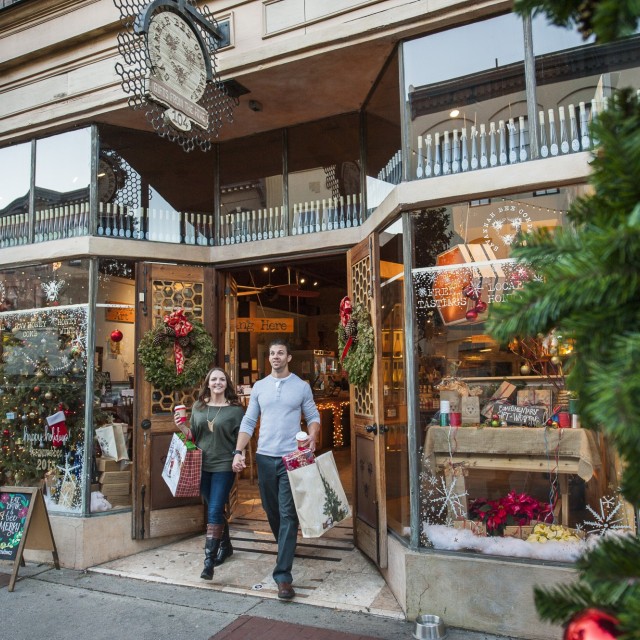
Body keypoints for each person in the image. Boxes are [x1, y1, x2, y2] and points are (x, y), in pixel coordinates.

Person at [232, 338, 320, 600]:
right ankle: (286, 545)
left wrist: (313, 436)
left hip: (290, 458)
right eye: (272, 353)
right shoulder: (260, 387)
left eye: (280, 353)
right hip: (264, 457)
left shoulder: (301, 387)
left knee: (288, 513)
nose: (276, 357)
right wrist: (238, 451)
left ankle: (283, 576)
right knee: (271, 511)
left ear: (289, 357)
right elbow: (249, 420)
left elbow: (313, 416)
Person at [174, 366, 244, 580]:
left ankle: (208, 562)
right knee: (214, 508)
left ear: (227, 383)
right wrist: (181, 427)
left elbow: (243, 437)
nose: (217, 383)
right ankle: (226, 545)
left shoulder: (236, 410)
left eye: (221, 379)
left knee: (214, 510)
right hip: (201, 464)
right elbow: (193, 435)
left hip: (224, 465)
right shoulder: (198, 407)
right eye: (213, 379)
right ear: (208, 383)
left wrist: (239, 456)